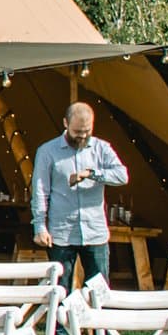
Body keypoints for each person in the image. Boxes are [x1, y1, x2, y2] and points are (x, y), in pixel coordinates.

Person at [31, 102, 128, 288]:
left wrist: (92, 174)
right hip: (61, 232)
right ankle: (60, 318)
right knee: (59, 291)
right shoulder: (47, 151)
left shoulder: (102, 148)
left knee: (98, 291)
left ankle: (95, 319)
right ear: (65, 123)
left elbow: (123, 175)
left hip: (95, 231)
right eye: (77, 131)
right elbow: (40, 190)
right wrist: (39, 227)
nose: (82, 136)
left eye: (87, 130)